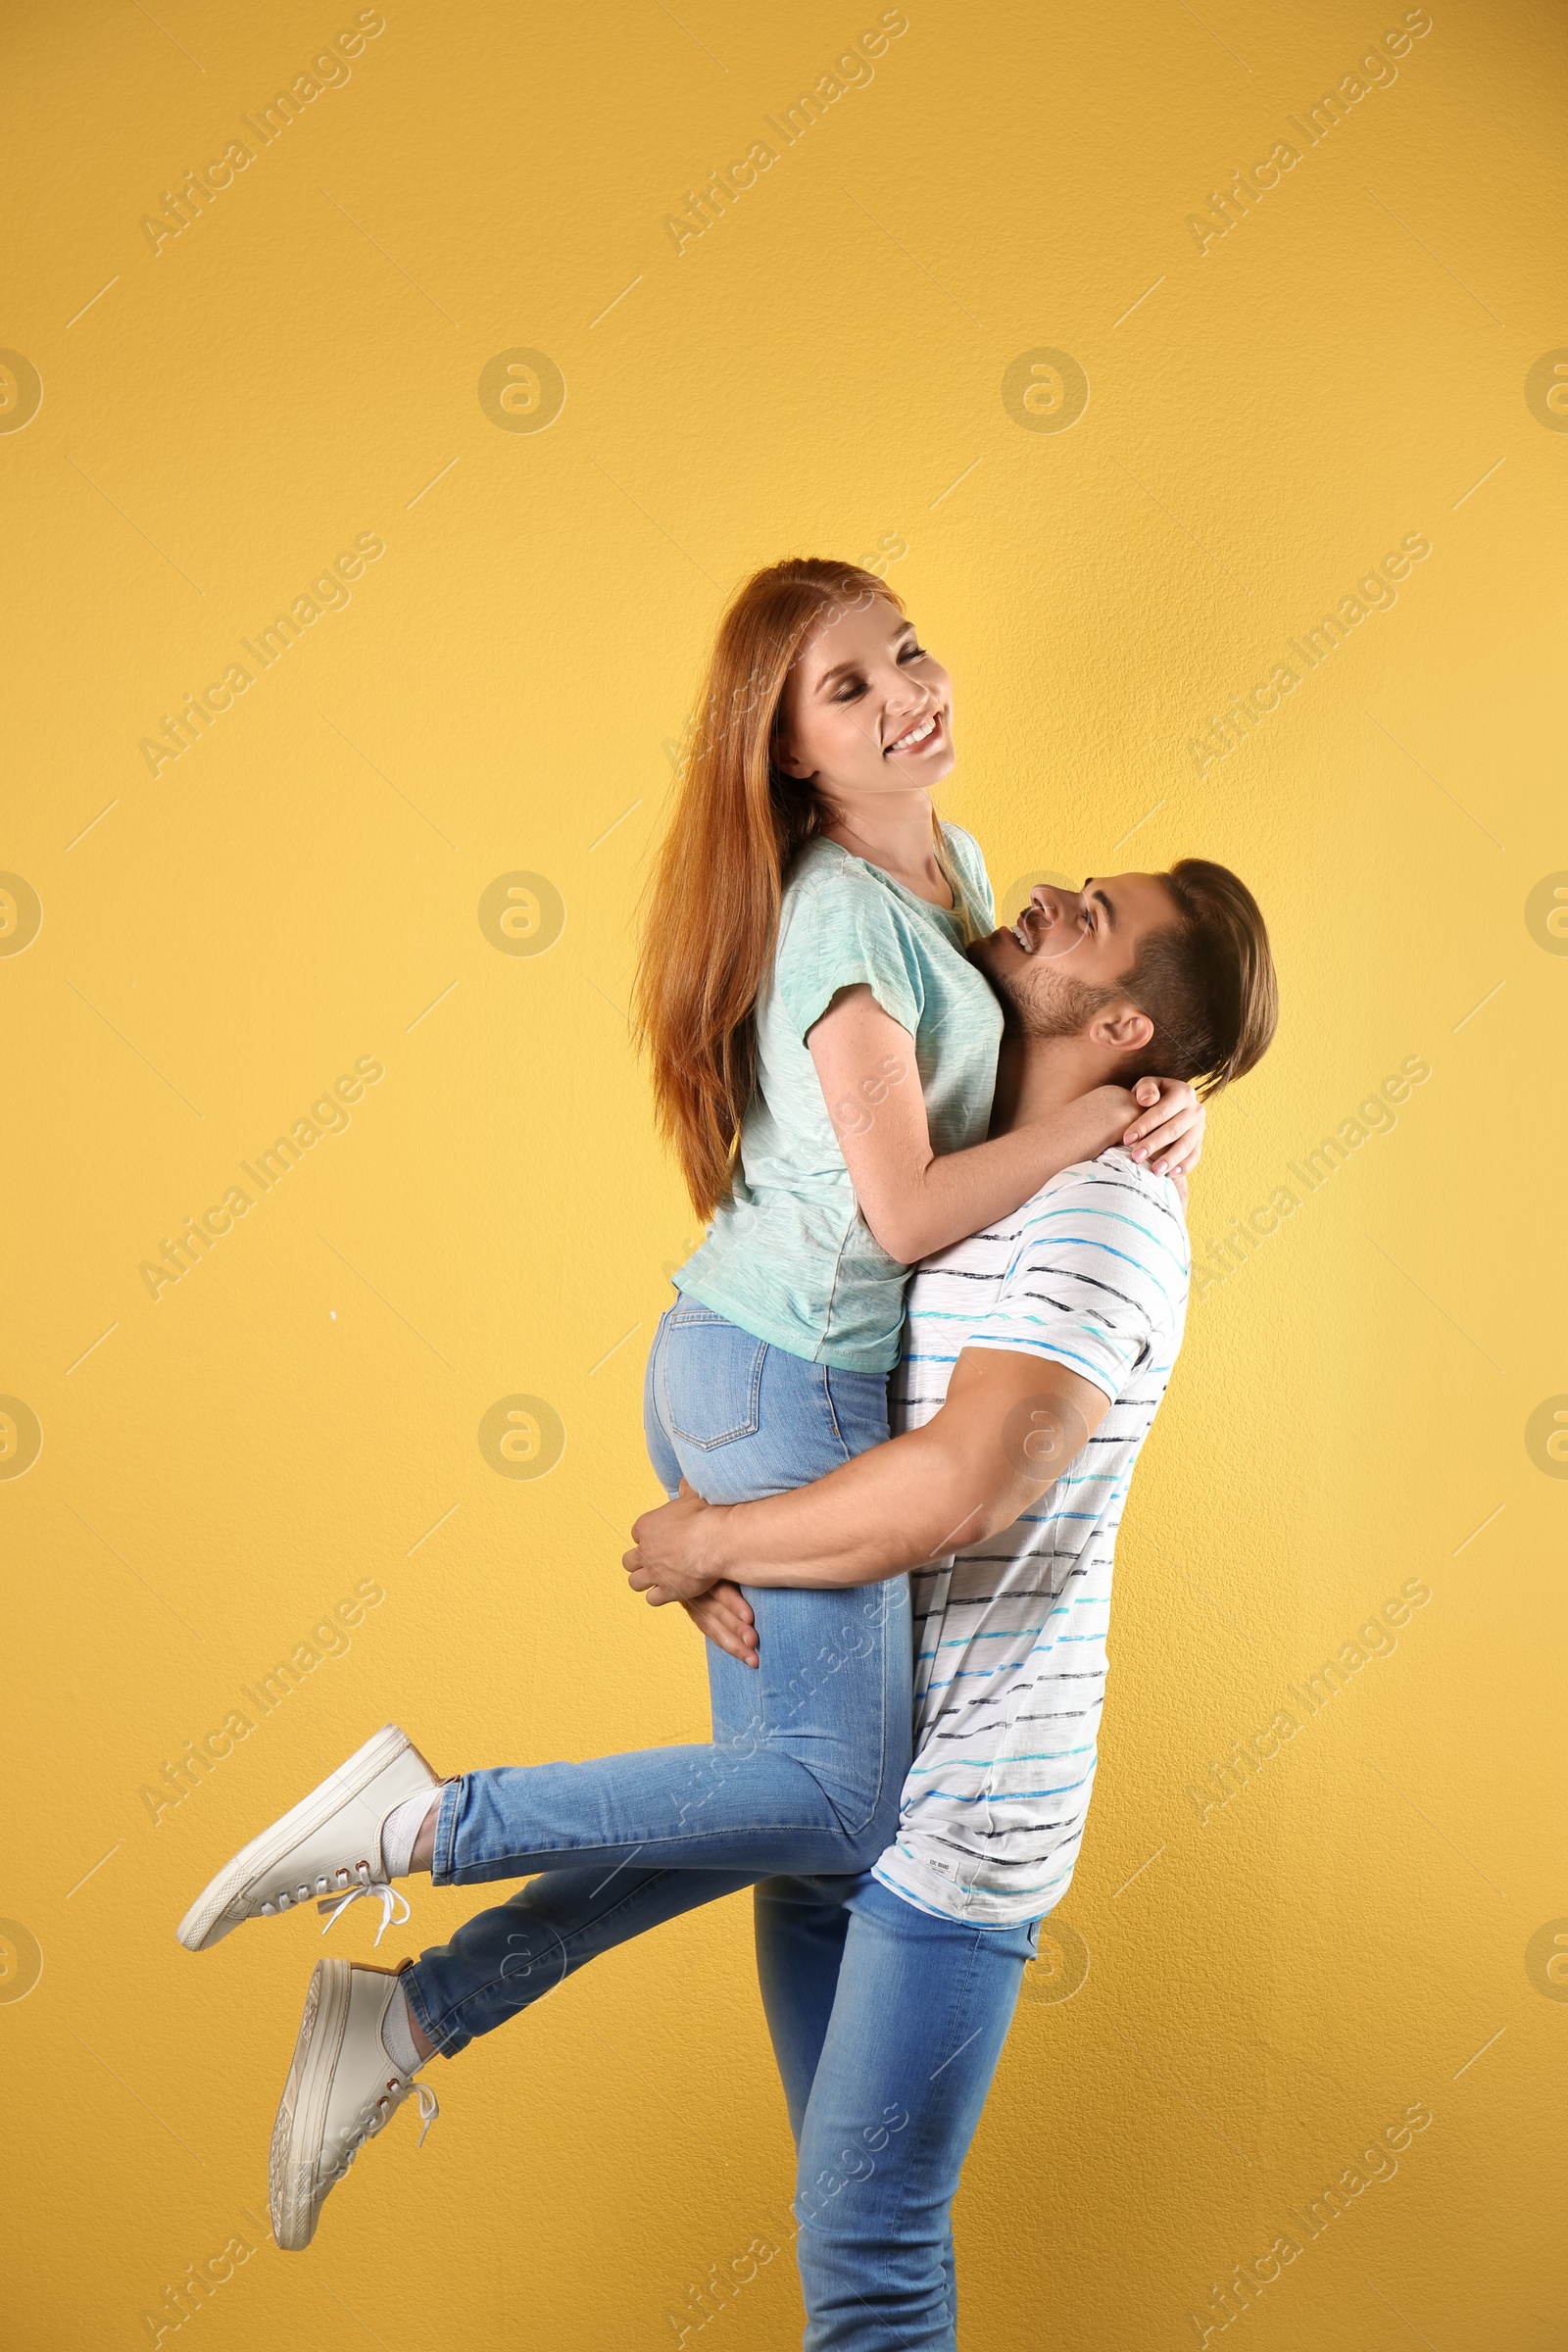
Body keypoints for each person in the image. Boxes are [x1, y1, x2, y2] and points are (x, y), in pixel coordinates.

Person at [173, 561, 1205, 2255]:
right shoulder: (841, 925)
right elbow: (905, 1215)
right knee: (842, 1804)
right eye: (850, 694)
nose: (908, 699)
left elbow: (1053, 1047)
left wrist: (1166, 1096)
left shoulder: (939, 863)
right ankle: (423, 1819)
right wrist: (1103, 1131)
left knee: (779, 1815)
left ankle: (409, 2014)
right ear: (792, 753)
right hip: (770, 1374)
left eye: (909, 654)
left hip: (776, 1380)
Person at [620, 857, 1278, 2349]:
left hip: (962, 1815)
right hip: (840, 1769)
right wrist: (730, 1549)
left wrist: (712, 1538)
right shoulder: (962, 1162)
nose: (1046, 891)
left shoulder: (1108, 1221)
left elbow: (962, 1487)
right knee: (844, 2223)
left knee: (869, 2250)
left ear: (1123, 1036)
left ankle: (424, 1866)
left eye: (1091, 921)